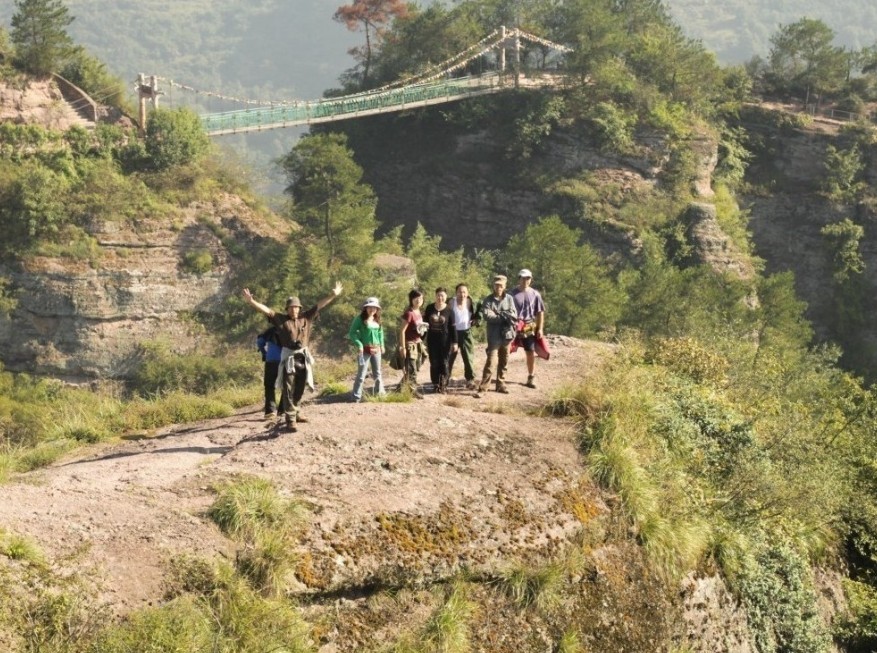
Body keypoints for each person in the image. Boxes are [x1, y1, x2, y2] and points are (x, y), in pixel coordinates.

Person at [242, 283, 342, 431]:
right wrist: (252, 302)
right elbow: (267, 310)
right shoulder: (281, 320)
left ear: (299, 308)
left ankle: (297, 411)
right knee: (288, 387)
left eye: (296, 307)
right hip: (288, 356)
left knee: (299, 387)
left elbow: (319, 305)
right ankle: (290, 418)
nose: (293, 309)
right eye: (291, 307)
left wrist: (333, 295)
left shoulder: (306, 318)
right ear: (287, 309)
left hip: (302, 356)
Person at [475, 274, 518, 394]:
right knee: (491, 362)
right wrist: (504, 315)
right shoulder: (488, 300)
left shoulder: (509, 299)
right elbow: (488, 316)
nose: (498, 287)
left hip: (507, 335)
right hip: (493, 336)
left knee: (504, 360)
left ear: (505, 286)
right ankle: (483, 388)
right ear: (493, 286)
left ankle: (501, 384)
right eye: (497, 285)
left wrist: (499, 314)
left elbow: (514, 315)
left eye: (501, 285)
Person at [510, 268, 546, 389]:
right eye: (523, 278)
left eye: (528, 278)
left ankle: (531, 377)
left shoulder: (535, 294)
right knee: (505, 351)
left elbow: (540, 312)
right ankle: (501, 377)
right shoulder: (511, 294)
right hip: (513, 325)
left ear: (531, 279)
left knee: (530, 351)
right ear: (519, 278)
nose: (525, 280)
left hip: (529, 326)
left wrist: (540, 328)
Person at [348, 296, 386, 402]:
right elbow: (352, 333)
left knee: (377, 373)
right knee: (361, 375)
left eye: (374, 307)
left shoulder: (377, 319)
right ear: (365, 308)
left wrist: (382, 345)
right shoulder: (359, 319)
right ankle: (356, 397)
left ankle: (381, 395)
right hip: (364, 349)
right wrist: (359, 344)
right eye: (370, 307)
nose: (372, 309)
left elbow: (380, 333)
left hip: (377, 349)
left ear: (377, 309)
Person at [423, 287, 457, 393]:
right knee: (434, 362)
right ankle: (435, 384)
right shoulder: (429, 308)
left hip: (445, 340)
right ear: (435, 296)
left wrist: (455, 342)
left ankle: (443, 384)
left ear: (446, 297)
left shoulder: (449, 310)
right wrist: (421, 340)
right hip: (432, 340)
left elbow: (453, 327)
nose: (440, 297)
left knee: (444, 362)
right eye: (438, 295)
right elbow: (424, 325)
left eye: (442, 295)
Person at [448, 283, 478, 389]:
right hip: (453, 333)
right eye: (460, 292)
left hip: (466, 333)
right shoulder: (451, 302)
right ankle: (444, 379)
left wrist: (476, 320)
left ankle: (470, 380)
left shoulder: (470, 302)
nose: (462, 294)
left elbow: (478, 313)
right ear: (456, 293)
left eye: (464, 292)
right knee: (449, 357)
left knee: (468, 357)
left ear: (467, 293)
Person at [397, 288, 426, 399]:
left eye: (420, 298)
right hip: (410, 345)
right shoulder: (409, 313)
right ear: (411, 299)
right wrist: (403, 347)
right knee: (412, 369)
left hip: (418, 343)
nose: (418, 300)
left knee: (413, 368)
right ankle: (412, 391)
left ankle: (399, 389)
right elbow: (402, 331)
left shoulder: (418, 312)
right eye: (416, 298)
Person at [256, 325, 282, 418]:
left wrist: (264, 353)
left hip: (271, 360)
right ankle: (282, 410)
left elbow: (259, 342)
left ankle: (270, 411)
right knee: (286, 386)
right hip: (285, 361)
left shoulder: (270, 331)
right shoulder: (289, 329)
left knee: (269, 386)